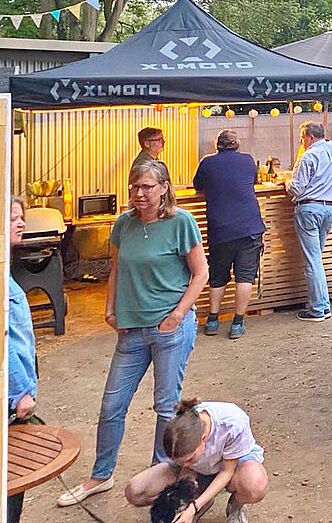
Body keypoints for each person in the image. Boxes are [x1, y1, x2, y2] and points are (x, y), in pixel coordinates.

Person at [58, 160, 208, 507]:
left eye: (147, 187)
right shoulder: (123, 224)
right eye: (134, 187)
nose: (139, 193)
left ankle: (159, 474)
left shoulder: (180, 222)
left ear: (164, 188)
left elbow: (200, 274)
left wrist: (178, 315)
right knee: (112, 404)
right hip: (131, 330)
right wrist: (109, 310)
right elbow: (115, 269)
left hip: (170, 328)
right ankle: (101, 474)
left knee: (164, 405)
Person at [125, 398, 268, 523]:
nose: (185, 464)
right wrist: (184, 494)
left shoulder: (232, 423)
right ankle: (202, 499)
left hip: (230, 468)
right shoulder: (180, 426)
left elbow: (226, 472)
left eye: (189, 459)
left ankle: (236, 503)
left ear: (204, 438)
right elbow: (187, 468)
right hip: (199, 470)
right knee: (135, 492)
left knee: (255, 485)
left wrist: (193, 506)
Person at [193, 130, 265, 339]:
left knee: (218, 275)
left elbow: (197, 185)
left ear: (217, 145)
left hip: (220, 229)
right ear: (237, 145)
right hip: (250, 227)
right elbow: (253, 181)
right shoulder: (248, 160)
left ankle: (213, 320)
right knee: (245, 277)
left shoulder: (207, 163)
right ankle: (237, 322)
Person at [286, 121, 332, 322]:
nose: (301, 141)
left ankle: (318, 308)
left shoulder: (308, 155)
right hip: (330, 208)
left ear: (309, 137)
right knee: (316, 258)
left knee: (313, 260)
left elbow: (297, 188)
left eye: (302, 138)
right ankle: (321, 304)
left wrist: (287, 182)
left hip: (309, 208)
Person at [7, 196, 37, 523]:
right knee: (12, 477)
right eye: (13, 217)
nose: (21, 222)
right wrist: (20, 393)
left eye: (21, 216)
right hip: (13, 399)